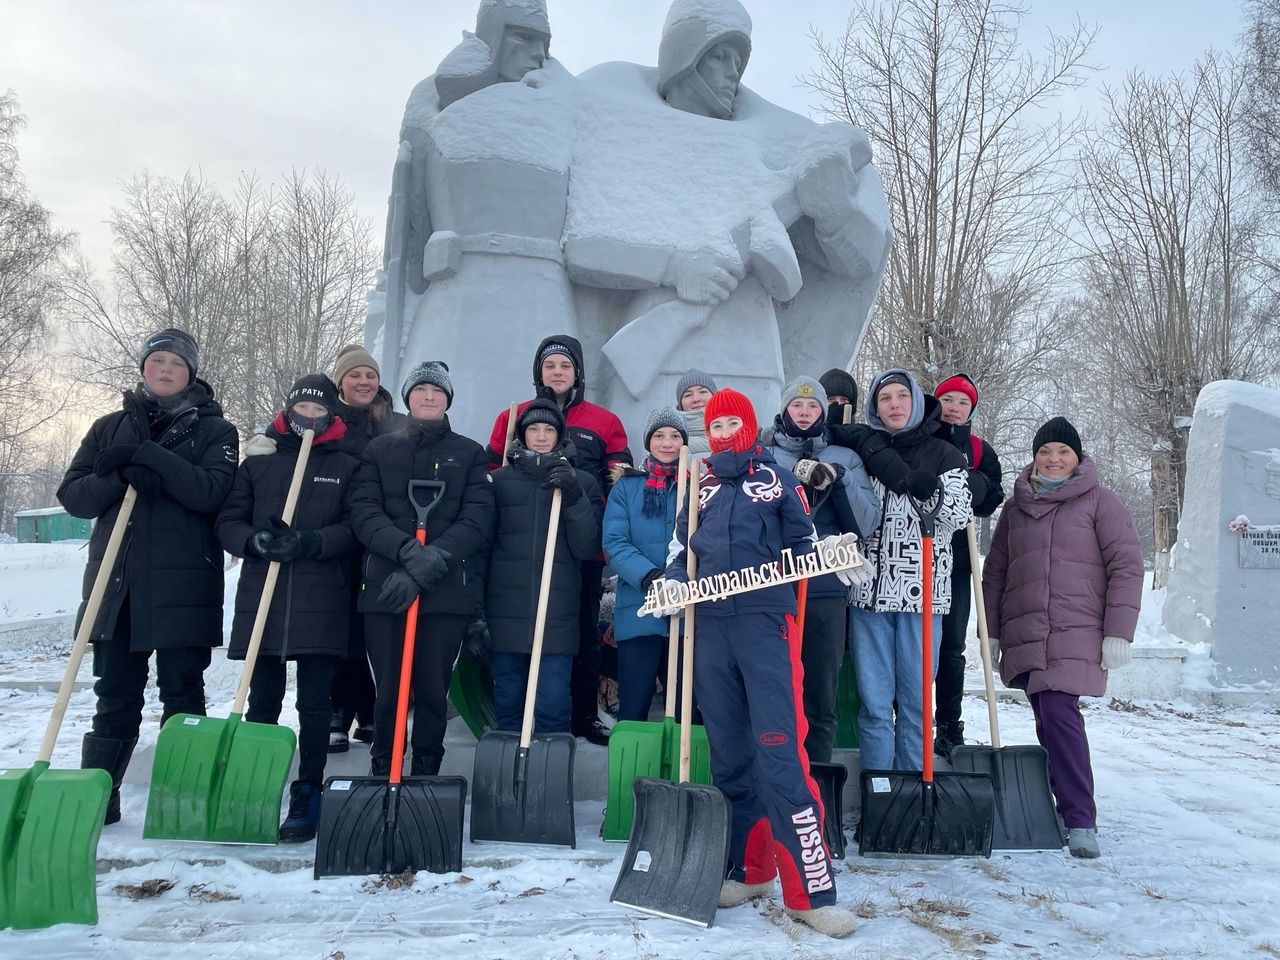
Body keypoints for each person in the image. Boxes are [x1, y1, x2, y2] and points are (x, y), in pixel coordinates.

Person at [664, 388, 860, 940]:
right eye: (716, 422)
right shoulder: (697, 483)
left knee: (780, 754)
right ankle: (751, 871)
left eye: (733, 420)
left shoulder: (776, 478)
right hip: (709, 628)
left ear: (749, 426)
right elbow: (682, 548)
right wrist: (675, 582)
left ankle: (810, 893)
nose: (724, 429)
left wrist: (830, 557)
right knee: (728, 756)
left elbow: (802, 542)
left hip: (764, 625)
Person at [57, 328, 238, 824]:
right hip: (118, 588)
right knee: (114, 694)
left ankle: (187, 794)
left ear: (191, 375)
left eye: (176, 364)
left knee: (183, 692)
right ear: (143, 368)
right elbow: (73, 497)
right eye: (157, 361)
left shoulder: (216, 432)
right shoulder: (108, 428)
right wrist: (117, 475)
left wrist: (151, 456)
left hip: (185, 587)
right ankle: (101, 795)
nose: (165, 370)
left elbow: (210, 493)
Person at [982, 417, 1142, 859]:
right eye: (1045, 452)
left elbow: (1126, 567)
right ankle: (1057, 805)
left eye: (1063, 452)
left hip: (1076, 629)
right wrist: (991, 633)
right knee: (1047, 719)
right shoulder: (1015, 509)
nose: (1054, 459)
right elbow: (996, 572)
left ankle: (1080, 819)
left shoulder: (1100, 503)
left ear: (1077, 458)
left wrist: (1118, 633)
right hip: (1026, 629)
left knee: (1059, 712)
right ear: (1035, 457)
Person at [216, 374, 359, 842]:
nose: (311, 418)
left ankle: (308, 788)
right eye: (304, 409)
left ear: (332, 414)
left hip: (323, 597)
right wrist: (252, 541)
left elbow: (356, 527)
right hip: (266, 597)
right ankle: (256, 786)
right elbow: (229, 521)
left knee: (315, 703)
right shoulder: (260, 459)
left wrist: (311, 541)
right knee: (263, 700)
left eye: (320, 411)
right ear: (290, 409)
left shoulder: (346, 462)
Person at [348, 361, 495, 776]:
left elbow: (477, 518)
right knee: (390, 689)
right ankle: (383, 768)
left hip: (447, 592)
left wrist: (429, 562)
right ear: (408, 397)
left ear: (448, 399)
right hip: (386, 589)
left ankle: (427, 768)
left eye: (437, 390)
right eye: (420, 389)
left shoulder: (469, 453)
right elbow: (363, 511)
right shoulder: (379, 450)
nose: (429, 396)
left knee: (433, 689)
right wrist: (407, 553)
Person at [486, 335, 630, 745]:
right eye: (549, 366)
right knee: (515, 645)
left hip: (573, 547)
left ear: (578, 372)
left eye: (565, 366)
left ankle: (579, 715)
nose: (557, 373)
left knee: (578, 638)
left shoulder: (604, 421)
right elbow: (492, 469)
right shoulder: (510, 416)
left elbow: (616, 481)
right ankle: (511, 725)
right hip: (518, 551)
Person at [845, 369, 971, 772]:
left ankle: (915, 789)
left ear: (916, 401)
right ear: (875, 407)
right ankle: (880, 790)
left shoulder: (943, 453)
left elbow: (957, 514)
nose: (894, 404)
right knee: (875, 704)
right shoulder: (863, 451)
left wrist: (926, 487)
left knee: (917, 702)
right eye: (886, 398)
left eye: (902, 396)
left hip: (922, 595)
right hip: (868, 592)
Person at [763, 376, 880, 764]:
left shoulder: (845, 456)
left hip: (825, 590)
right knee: (774, 690)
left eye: (813, 407)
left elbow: (866, 524)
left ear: (824, 411)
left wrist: (840, 478)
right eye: (797, 405)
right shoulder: (763, 455)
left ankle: (816, 780)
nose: (804, 412)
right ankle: (777, 777)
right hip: (772, 586)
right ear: (785, 409)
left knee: (820, 694)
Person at [474, 400, 604, 734]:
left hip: (556, 615)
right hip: (506, 613)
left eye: (549, 429)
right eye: (534, 429)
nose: (542, 436)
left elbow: (587, 547)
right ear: (521, 434)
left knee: (553, 702)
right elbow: (481, 549)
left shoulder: (583, 483)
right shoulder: (498, 482)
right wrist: (477, 612)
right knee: (509, 699)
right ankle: (508, 774)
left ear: (561, 436)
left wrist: (573, 497)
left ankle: (550, 773)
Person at [326, 344, 407, 754]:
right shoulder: (325, 419)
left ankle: (376, 711)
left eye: (369, 375)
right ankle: (339, 708)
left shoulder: (396, 423)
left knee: (377, 627)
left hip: (383, 536)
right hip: (337, 535)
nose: (363, 382)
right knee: (340, 627)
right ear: (341, 381)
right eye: (354, 375)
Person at [930, 373, 1004, 757]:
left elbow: (993, 495)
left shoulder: (978, 449)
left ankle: (948, 723)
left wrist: (972, 483)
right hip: (918, 557)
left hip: (959, 561)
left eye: (962, 402)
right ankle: (907, 716)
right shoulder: (921, 437)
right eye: (948, 400)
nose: (954, 408)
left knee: (951, 647)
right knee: (916, 644)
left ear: (971, 409)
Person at [601, 408, 690, 722]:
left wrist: (683, 579)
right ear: (649, 442)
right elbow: (614, 542)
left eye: (675, 436)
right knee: (635, 702)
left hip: (686, 609)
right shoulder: (627, 488)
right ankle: (633, 767)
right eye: (659, 436)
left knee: (685, 708)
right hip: (640, 608)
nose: (667, 443)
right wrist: (652, 577)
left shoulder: (697, 487)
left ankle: (683, 768)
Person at [675, 368, 717, 456]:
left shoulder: (734, 432)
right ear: (681, 404)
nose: (696, 399)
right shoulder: (671, 439)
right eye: (688, 395)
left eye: (703, 392)